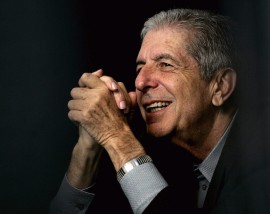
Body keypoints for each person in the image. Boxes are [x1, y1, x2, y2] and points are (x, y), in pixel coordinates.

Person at [50, 8, 270, 214]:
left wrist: (116, 136)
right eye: (139, 68)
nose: (140, 81)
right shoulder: (170, 158)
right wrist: (88, 147)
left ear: (220, 87)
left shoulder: (260, 163)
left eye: (165, 64)